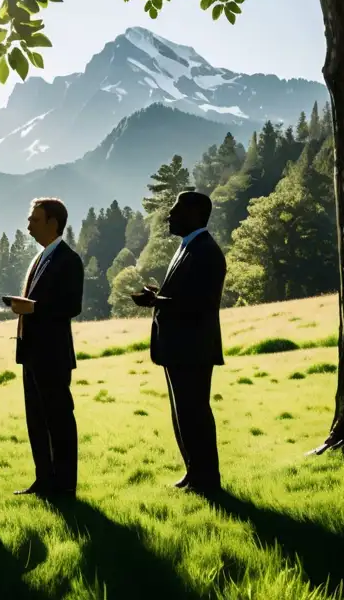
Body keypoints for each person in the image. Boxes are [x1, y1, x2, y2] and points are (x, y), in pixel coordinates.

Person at [131, 191, 226, 494]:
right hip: (180, 347)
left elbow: (202, 302)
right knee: (183, 412)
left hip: (193, 348)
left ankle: (206, 479)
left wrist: (156, 300)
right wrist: (159, 296)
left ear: (195, 214)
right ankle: (193, 472)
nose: (169, 215)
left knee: (194, 412)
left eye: (176, 210)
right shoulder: (189, 247)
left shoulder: (206, 251)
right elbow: (186, 295)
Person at [7, 198, 84, 500]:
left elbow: (72, 306)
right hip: (32, 354)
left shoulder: (68, 259)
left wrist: (33, 307)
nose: (28, 226)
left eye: (34, 220)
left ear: (52, 222)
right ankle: (44, 479)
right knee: (36, 419)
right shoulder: (40, 258)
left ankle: (64, 484)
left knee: (59, 418)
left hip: (52, 354)